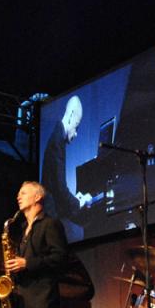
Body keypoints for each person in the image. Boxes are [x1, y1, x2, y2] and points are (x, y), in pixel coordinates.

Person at [41, 96, 93, 227]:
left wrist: (75, 199)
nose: (76, 134)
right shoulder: (57, 142)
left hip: (52, 212)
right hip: (51, 217)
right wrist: (79, 202)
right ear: (71, 116)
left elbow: (58, 188)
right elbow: (60, 190)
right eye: (77, 126)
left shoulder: (57, 137)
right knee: (79, 232)